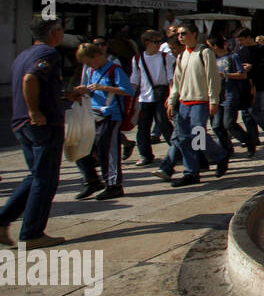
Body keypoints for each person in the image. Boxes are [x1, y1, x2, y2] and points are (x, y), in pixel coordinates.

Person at [1, 17, 90, 248]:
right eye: (61, 31)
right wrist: (35, 111)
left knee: (35, 175)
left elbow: (37, 84)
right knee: (46, 179)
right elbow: (30, 79)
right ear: (54, 33)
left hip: (22, 123)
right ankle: (32, 233)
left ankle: (3, 220)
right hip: (42, 125)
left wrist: (64, 95)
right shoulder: (49, 54)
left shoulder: (23, 54)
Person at [166, 22, 227, 186]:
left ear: (194, 34)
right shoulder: (181, 55)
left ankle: (219, 155)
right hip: (184, 101)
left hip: (200, 100)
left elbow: (212, 78)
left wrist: (213, 99)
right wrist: (172, 100)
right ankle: (191, 172)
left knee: (197, 134)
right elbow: (177, 81)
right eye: (179, 34)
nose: (181, 37)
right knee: (184, 138)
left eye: (184, 33)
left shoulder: (205, 52)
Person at [73, 41, 135, 201]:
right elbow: (90, 89)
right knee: (80, 148)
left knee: (107, 150)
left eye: (89, 62)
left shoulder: (115, 70)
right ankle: (92, 180)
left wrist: (104, 88)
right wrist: (82, 90)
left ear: (97, 56)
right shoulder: (92, 70)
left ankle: (113, 185)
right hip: (93, 113)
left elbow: (128, 90)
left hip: (110, 115)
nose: (88, 66)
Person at [130, 30, 174, 167]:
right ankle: (145, 155)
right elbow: (135, 79)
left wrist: (172, 96)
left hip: (161, 96)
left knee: (164, 124)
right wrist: (130, 99)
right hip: (144, 97)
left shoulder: (166, 57)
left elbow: (171, 78)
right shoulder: (137, 59)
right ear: (147, 43)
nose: (159, 45)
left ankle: (176, 150)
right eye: (156, 42)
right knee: (143, 128)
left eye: (160, 41)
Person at [210, 33, 254, 159]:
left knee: (229, 124)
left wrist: (225, 75)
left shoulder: (233, 57)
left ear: (215, 46)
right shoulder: (212, 59)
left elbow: (243, 75)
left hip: (230, 95)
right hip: (217, 96)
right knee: (217, 125)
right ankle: (226, 149)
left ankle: (247, 140)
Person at [235, 28, 264, 148]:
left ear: (248, 37)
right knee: (246, 113)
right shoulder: (240, 51)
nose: (240, 42)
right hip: (244, 85)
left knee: (254, 110)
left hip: (258, 84)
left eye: (242, 39)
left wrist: (252, 67)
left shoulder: (260, 50)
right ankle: (253, 138)